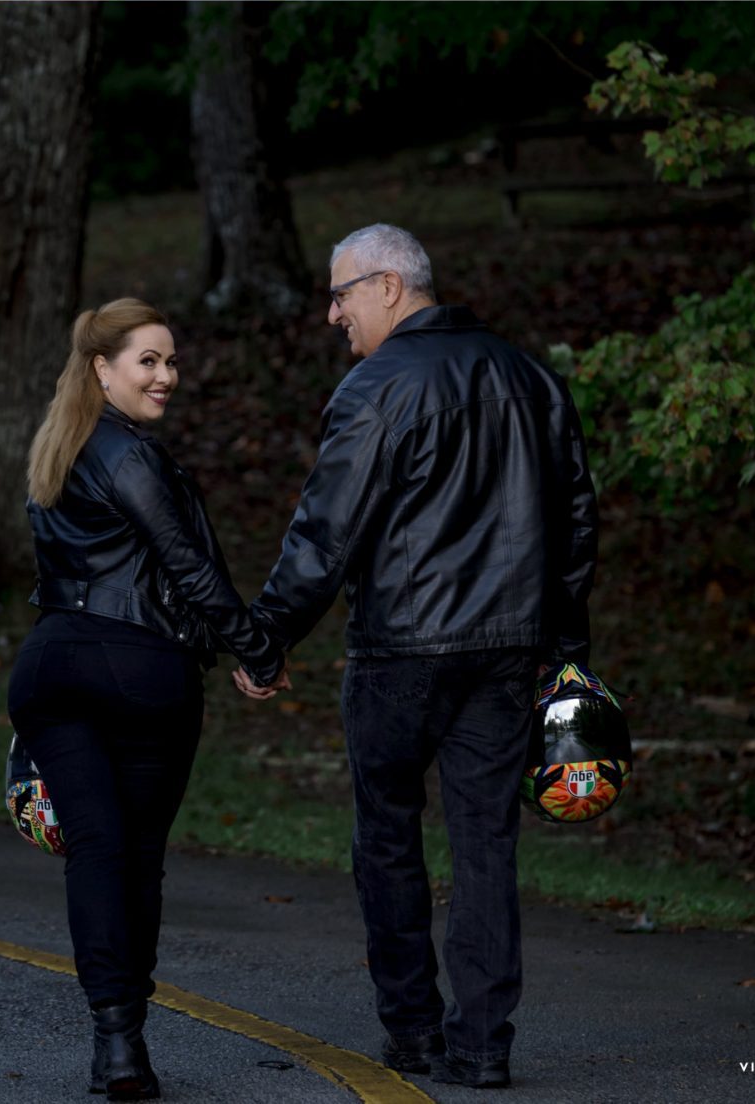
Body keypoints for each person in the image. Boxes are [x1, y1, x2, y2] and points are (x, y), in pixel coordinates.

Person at [241, 225, 598, 1092]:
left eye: (342, 294)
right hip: (508, 652)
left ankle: (412, 1036)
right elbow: (577, 523)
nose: (333, 314)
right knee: (486, 846)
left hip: (400, 652)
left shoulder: (378, 386)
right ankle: (482, 1045)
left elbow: (328, 531)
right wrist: (566, 653)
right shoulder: (532, 379)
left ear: (391, 287)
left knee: (388, 841)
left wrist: (268, 636)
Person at [9, 297, 284, 1102]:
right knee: (134, 855)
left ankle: (114, 1043)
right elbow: (188, 566)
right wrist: (257, 647)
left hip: (52, 665)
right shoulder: (130, 456)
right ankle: (125, 1040)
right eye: (148, 362)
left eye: (170, 361)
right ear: (103, 368)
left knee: (95, 849)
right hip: (136, 668)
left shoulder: (57, 447)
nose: (166, 376)